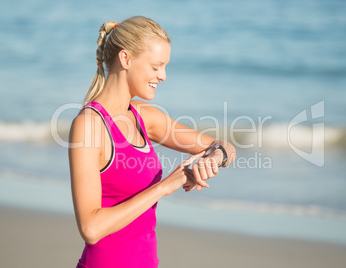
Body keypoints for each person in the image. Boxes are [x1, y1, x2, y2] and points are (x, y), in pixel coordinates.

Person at [68, 16, 236, 268]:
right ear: (126, 59)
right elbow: (91, 228)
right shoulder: (89, 125)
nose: (164, 76)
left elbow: (225, 146)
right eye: (156, 66)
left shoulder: (144, 116)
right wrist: (164, 187)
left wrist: (213, 158)